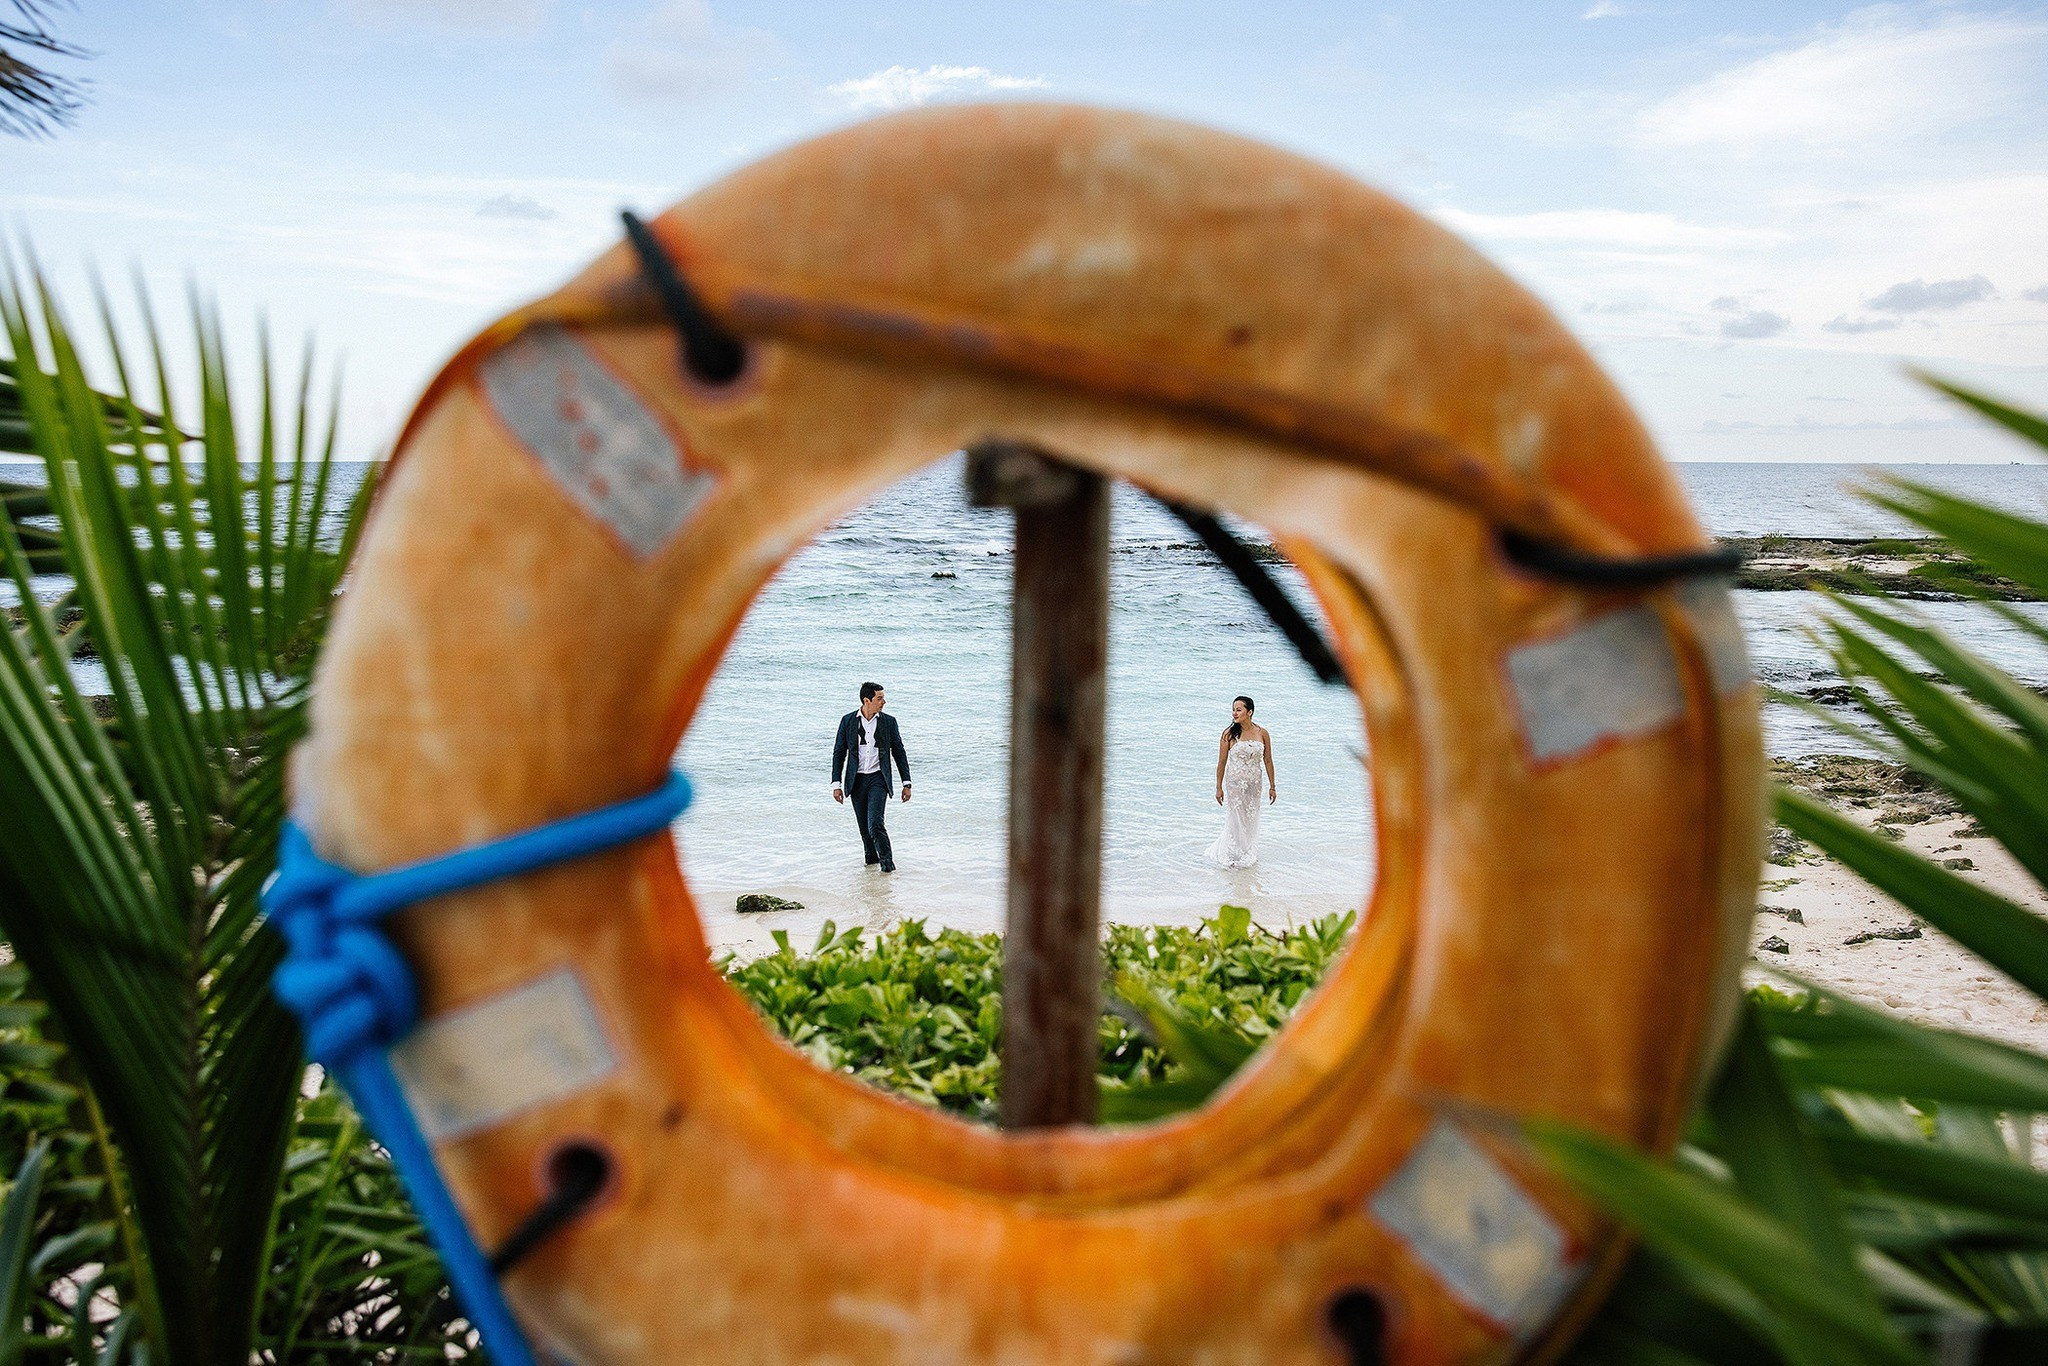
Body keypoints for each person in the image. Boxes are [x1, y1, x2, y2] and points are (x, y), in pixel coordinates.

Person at [831, 681, 912, 872]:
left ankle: (887, 867)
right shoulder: (848, 721)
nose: (884, 702)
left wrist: (906, 782)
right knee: (865, 831)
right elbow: (839, 752)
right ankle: (871, 871)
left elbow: (899, 751)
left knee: (875, 824)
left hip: (878, 778)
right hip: (856, 780)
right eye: (880, 698)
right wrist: (836, 784)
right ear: (867, 700)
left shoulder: (889, 722)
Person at [1208, 695, 1275, 869]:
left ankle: (1246, 852)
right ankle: (1231, 854)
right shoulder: (1228, 734)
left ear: (1249, 712)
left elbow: (1268, 761)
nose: (1234, 713)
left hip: (1255, 783)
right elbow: (1221, 762)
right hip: (1235, 783)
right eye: (1233, 710)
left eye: (1239, 710)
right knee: (1236, 817)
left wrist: (1273, 786)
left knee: (1250, 817)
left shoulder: (1262, 733)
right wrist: (1218, 787)